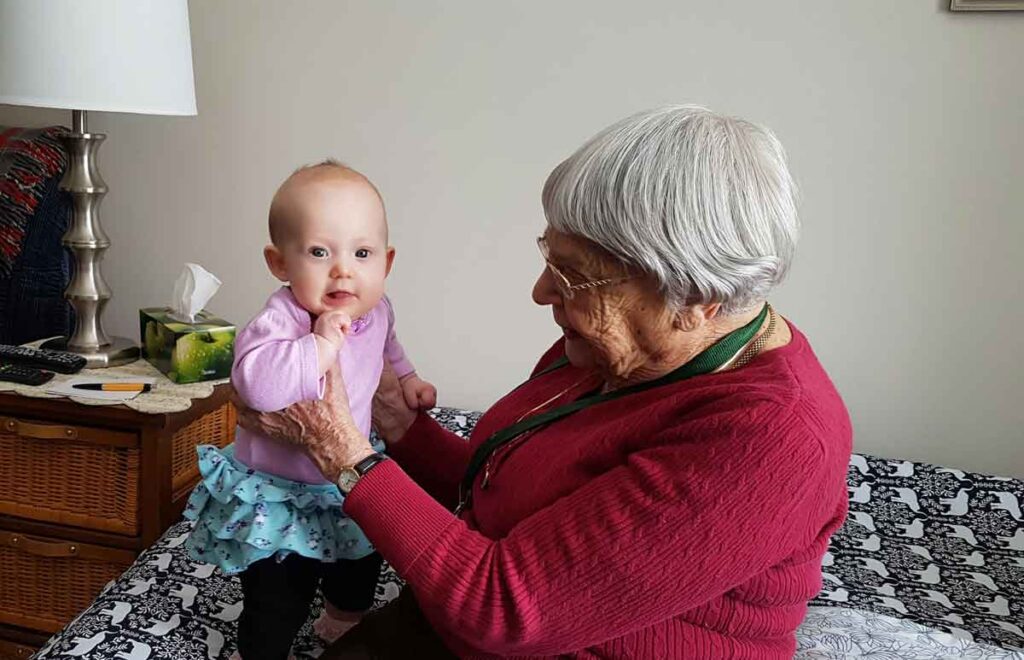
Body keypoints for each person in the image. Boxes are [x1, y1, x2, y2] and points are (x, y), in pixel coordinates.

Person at [233, 106, 853, 659]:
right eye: (549, 257)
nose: (540, 293)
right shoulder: (614, 348)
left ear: (698, 299)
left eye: (575, 274)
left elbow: (504, 610)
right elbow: (504, 490)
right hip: (457, 606)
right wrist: (403, 428)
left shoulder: (772, 439)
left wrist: (345, 456)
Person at [184, 161, 437, 660]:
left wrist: (409, 380)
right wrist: (317, 349)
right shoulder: (282, 318)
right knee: (279, 595)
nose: (343, 269)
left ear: (385, 262)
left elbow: (389, 348)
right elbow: (254, 385)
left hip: (345, 478)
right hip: (280, 493)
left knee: (358, 565)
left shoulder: (377, 311)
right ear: (280, 263)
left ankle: (343, 622)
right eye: (320, 252)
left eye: (362, 253)